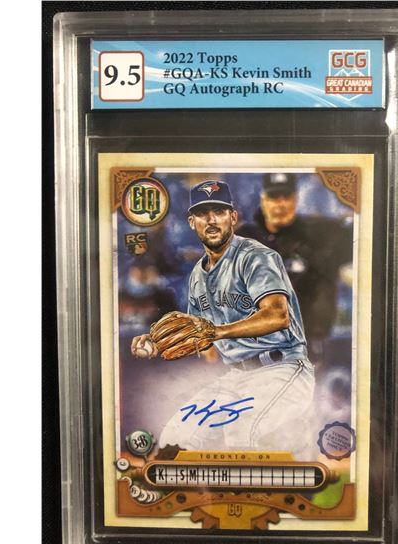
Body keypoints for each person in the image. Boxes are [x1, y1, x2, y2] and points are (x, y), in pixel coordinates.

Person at [131, 180, 315, 460]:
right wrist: (158, 342)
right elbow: (202, 341)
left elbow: (278, 315)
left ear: (233, 217)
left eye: (219, 211)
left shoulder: (255, 257)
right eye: (203, 213)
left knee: (241, 430)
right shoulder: (197, 276)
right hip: (237, 376)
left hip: (283, 368)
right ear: (192, 222)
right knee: (174, 441)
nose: (211, 220)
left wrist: (216, 332)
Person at [236, 173, 353, 362]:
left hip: (307, 346)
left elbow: (359, 235)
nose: (281, 204)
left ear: (296, 200)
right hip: (256, 346)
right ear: (263, 200)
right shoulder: (243, 238)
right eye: (274, 197)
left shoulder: (318, 234)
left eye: (287, 197)